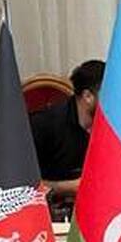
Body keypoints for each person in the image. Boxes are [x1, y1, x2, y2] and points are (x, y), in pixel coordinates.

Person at [29, 59, 104, 211]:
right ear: (88, 96)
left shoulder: (112, 127)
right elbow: (23, 186)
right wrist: (68, 187)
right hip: (51, 212)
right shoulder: (45, 125)